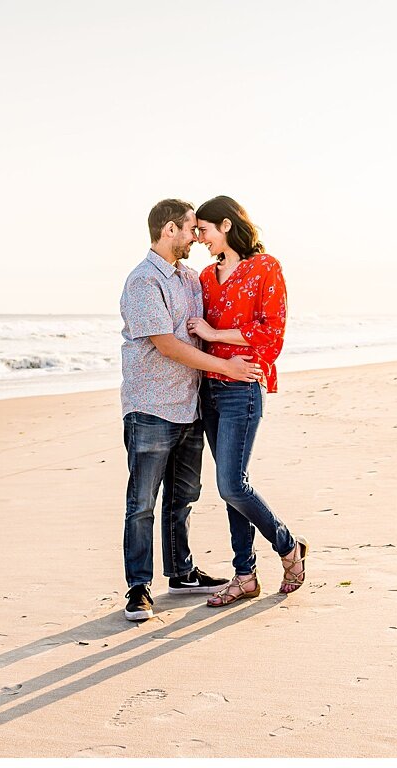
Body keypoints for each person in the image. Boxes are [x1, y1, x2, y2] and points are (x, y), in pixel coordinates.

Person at [119, 198, 264, 622]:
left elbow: (205, 329)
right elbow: (166, 344)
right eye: (190, 229)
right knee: (142, 501)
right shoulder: (144, 281)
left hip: (190, 404)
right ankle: (138, 587)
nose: (196, 238)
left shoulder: (189, 278)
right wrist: (226, 367)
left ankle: (181, 573)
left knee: (184, 497)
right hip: (151, 406)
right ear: (169, 230)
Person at [186, 195, 309, 607]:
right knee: (230, 488)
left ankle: (288, 546)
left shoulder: (265, 268)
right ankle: (245, 576)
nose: (199, 237)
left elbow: (271, 334)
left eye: (203, 229)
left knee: (231, 484)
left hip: (243, 389)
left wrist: (216, 335)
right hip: (209, 390)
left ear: (225, 225)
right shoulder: (205, 276)